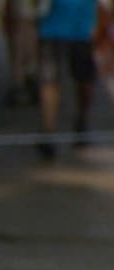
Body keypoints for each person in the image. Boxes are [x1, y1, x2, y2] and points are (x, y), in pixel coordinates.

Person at [35, 0, 98, 158]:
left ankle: (81, 122)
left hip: (82, 30)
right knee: (49, 81)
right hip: (51, 30)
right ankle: (48, 133)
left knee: (84, 84)